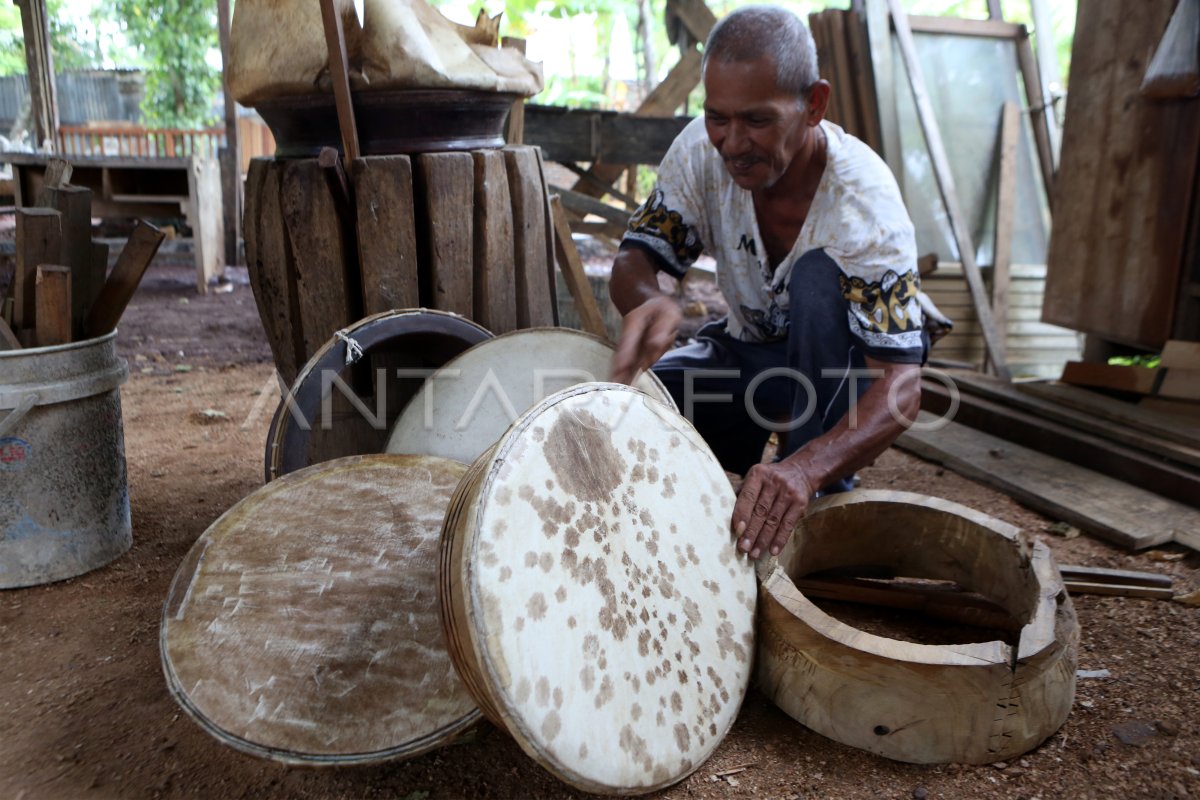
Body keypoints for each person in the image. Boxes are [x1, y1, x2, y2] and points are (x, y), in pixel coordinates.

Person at [609, 5, 926, 561]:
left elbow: (903, 386)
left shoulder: (866, 207)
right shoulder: (698, 152)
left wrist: (806, 468)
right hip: (747, 357)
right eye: (717, 118)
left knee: (815, 277)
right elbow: (636, 257)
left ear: (814, 105)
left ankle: (814, 480)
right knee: (644, 406)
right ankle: (746, 475)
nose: (732, 143)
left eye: (756, 121)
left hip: (835, 381)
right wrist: (649, 299)